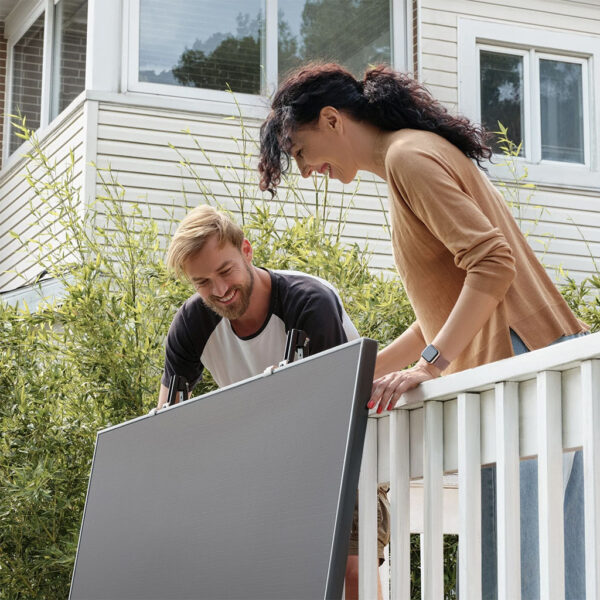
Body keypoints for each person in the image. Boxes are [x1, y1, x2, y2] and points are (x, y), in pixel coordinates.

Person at [257, 63, 589, 599]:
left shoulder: (409, 158)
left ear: (332, 119)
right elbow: (447, 305)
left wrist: (429, 365)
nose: (304, 170)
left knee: (511, 580)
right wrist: (354, 376)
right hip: (548, 364)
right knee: (559, 580)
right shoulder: (409, 158)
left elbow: (492, 265)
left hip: (521, 367)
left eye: (299, 152)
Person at [157, 204, 389, 599]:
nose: (219, 290)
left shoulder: (309, 300)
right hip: (262, 471)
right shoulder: (192, 324)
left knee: (349, 569)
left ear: (246, 251)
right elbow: (167, 422)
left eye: (225, 271)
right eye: (202, 282)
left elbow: (323, 409)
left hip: (343, 458)